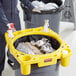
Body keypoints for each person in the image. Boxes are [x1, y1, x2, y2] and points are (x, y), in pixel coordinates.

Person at [0, 0, 40, 76]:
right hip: (2, 21)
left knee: (17, 45)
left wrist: (31, 6)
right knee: (0, 49)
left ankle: (13, 61)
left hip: (15, 19)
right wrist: (6, 25)